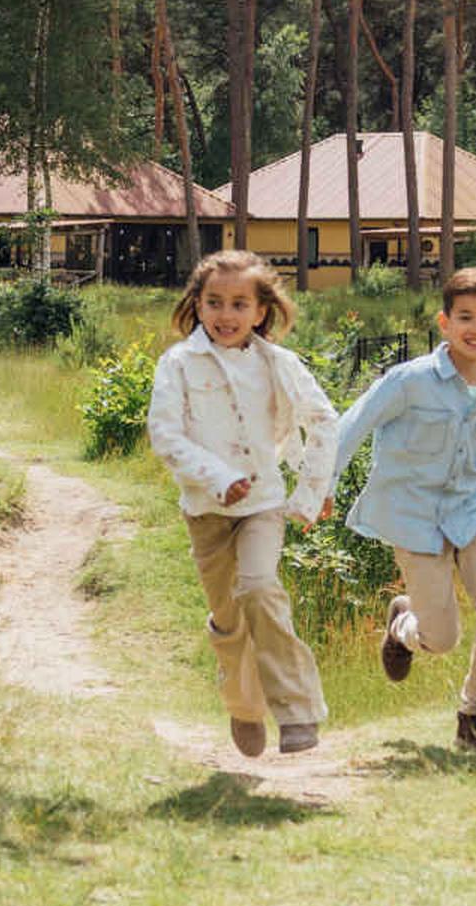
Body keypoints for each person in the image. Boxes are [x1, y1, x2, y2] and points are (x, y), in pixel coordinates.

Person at [324, 264, 476, 753]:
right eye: (465, 317)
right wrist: (324, 484)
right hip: (414, 518)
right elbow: (352, 425)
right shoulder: (410, 381)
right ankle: (402, 624)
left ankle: (475, 715)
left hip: (470, 514)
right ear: (444, 323)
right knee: (441, 639)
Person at [144, 248, 341, 758]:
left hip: (263, 503)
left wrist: (311, 491)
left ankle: (296, 710)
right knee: (229, 620)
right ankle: (243, 704)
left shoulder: (280, 364)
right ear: (197, 305)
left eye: (239, 304)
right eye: (214, 303)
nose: (225, 315)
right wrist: (218, 477)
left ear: (260, 311)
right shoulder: (178, 364)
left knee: (258, 587)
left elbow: (324, 421)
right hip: (205, 510)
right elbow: (165, 435)